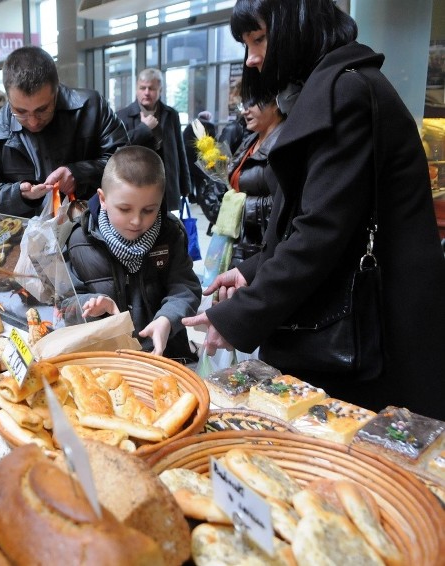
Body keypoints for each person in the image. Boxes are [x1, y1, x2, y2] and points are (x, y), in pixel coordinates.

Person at [183, 0, 445, 419]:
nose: (251, 59)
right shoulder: (333, 87)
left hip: (374, 332)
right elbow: (309, 220)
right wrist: (251, 272)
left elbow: (320, 233)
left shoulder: (346, 93)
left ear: (295, 26)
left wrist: (237, 317)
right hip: (361, 324)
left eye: (259, 39)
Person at [59, 145, 201, 360]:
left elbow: (185, 288)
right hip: (105, 358)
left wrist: (167, 319)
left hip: (163, 355)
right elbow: (65, 299)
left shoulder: (170, 234)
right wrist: (92, 303)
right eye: (125, 209)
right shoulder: (78, 239)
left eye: (149, 210)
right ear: (103, 199)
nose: (136, 220)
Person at [0, 46, 128, 218]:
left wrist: (79, 173)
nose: (33, 121)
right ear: (8, 97)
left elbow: (126, 163)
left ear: (56, 90)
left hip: (85, 229)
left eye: (42, 109)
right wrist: (19, 195)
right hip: (17, 238)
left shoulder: (91, 107)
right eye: (20, 112)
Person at [200, 94, 285, 262]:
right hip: (239, 243)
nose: (245, 111)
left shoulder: (282, 144)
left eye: (253, 103)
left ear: (275, 103)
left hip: (261, 250)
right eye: (244, 104)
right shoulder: (251, 140)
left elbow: (284, 204)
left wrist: (238, 207)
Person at [117, 69, 192, 213]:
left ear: (160, 90)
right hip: (138, 185)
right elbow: (119, 149)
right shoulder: (122, 116)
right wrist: (144, 129)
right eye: (142, 88)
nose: (146, 92)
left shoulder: (171, 114)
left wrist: (185, 186)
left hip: (167, 185)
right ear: (136, 89)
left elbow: (179, 151)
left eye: (151, 88)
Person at [182, 110, 217, 205]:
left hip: (188, 157)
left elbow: (183, 140)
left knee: (191, 178)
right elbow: (212, 142)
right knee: (200, 179)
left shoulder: (190, 125)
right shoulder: (210, 126)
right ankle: (200, 198)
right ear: (208, 117)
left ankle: (191, 196)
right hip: (201, 157)